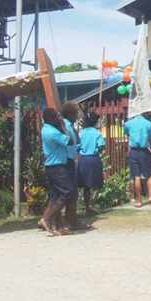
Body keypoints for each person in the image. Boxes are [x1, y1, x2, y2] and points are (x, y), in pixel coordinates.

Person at [40, 107, 72, 236]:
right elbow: (69, 141)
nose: (59, 119)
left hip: (52, 166)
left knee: (56, 196)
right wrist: (63, 125)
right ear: (52, 118)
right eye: (57, 117)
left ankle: (58, 226)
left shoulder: (46, 129)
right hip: (57, 167)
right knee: (67, 192)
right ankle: (46, 219)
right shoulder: (52, 132)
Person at [124, 110, 151, 208]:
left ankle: (139, 201)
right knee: (149, 175)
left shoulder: (128, 124)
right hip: (144, 151)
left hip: (133, 151)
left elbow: (127, 134)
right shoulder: (148, 124)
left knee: (136, 176)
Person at [60, 101, 86, 229]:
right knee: (69, 192)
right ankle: (67, 221)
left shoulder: (70, 126)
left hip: (72, 160)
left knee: (73, 192)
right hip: (66, 161)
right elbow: (66, 143)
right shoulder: (64, 125)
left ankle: (72, 219)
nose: (78, 115)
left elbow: (77, 142)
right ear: (70, 113)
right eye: (76, 112)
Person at [77, 110, 105, 216]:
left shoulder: (81, 133)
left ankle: (87, 206)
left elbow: (77, 147)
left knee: (85, 185)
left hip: (83, 159)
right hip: (94, 159)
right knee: (95, 183)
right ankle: (91, 206)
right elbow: (101, 145)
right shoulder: (97, 133)